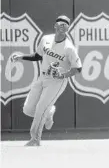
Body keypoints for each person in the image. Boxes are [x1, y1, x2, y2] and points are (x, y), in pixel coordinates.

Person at [12, 15, 82, 146]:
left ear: (68, 28)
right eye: (60, 23)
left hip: (57, 81)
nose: (62, 26)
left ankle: (35, 139)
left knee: (40, 108)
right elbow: (38, 56)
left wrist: (63, 75)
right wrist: (22, 57)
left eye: (65, 24)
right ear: (55, 25)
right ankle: (49, 112)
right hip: (42, 77)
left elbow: (78, 68)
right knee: (28, 109)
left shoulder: (69, 48)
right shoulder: (46, 39)